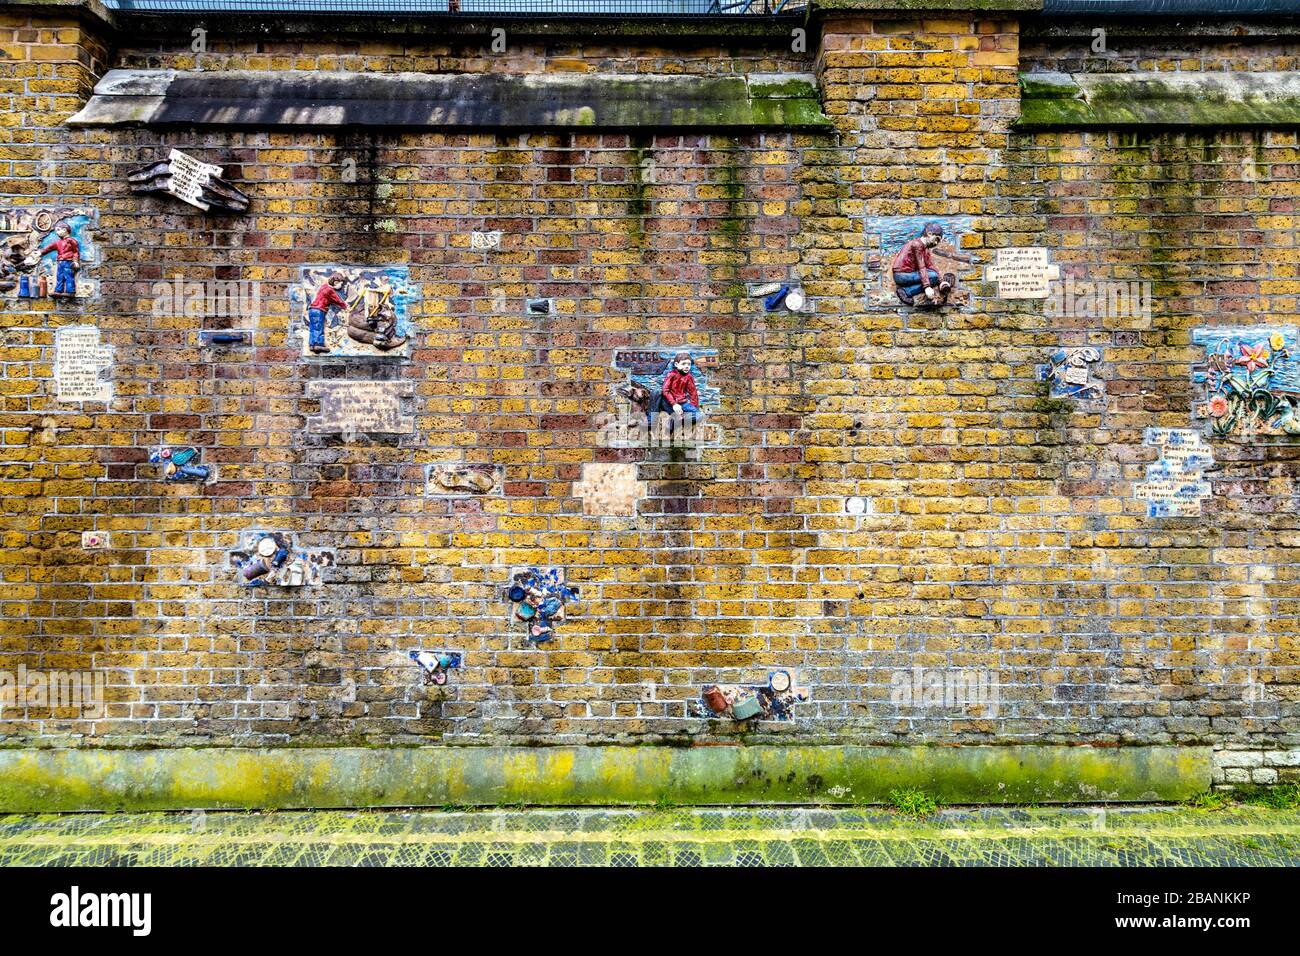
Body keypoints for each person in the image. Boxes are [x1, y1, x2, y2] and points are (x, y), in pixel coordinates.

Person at [891, 222, 954, 307]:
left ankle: (908, 290)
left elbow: (930, 266)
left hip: (909, 274)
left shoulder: (925, 249)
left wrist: (941, 281)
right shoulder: (917, 245)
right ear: (929, 234)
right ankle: (906, 291)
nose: (936, 243)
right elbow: (922, 267)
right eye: (936, 239)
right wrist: (927, 287)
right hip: (901, 275)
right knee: (933, 277)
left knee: (934, 275)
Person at [653, 352, 700, 432]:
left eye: (688, 364)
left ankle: (677, 420)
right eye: (683, 364)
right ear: (676, 364)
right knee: (657, 394)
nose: (686, 366)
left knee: (699, 415)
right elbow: (665, 390)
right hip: (669, 403)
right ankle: (673, 418)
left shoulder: (689, 377)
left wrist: (694, 407)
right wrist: (674, 404)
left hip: (683, 403)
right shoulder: (671, 375)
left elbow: (693, 393)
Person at [34, 223, 79, 298]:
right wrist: (40, 252)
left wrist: (76, 261)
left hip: (68, 261)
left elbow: (75, 251)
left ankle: (70, 291)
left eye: (58, 230)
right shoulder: (58, 243)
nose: (56, 232)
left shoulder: (72, 241)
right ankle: (58, 291)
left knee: (68, 276)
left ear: (64, 230)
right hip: (60, 262)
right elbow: (49, 248)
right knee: (59, 276)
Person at [307, 272, 348, 354]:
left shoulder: (324, 287)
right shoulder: (329, 290)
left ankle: (312, 344)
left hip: (312, 310)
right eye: (341, 283)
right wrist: (345, 306)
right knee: (319, 327)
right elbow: (337, 300)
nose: (341, 286)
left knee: (313, 327)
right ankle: (318, 345)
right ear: (335, 282)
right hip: (319, 310)